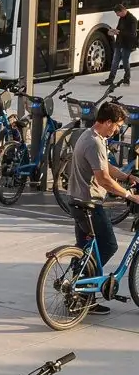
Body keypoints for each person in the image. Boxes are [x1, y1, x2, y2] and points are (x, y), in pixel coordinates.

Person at [67, 99, 135, 314]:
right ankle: (83, 289)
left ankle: (79, 294)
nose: (117, 131)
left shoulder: (89, 136)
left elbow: (106, 167)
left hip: (77, 200)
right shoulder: (95, 143)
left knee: (85, 251)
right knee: (109, 246)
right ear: (107, 122)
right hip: (90, 203)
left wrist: (126, 176)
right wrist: (129, 195)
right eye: (117, 126)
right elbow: (104, 178)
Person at [102, 1, 138, 86]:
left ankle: (127, 78)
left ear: (122, 11)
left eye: (118, 13)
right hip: (119, 43)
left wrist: (119, 32)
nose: (117, 15)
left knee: (125, 62)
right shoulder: (121, 18)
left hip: (127, 44)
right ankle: (110, 79)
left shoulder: (132, 20)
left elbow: (132, 33)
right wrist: (113, 31)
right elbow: (119, 29)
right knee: (115, 62)